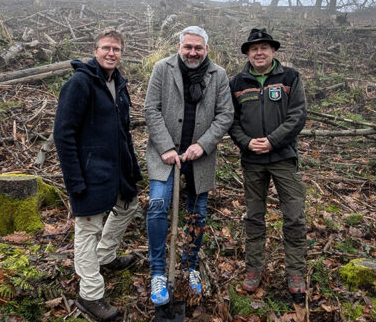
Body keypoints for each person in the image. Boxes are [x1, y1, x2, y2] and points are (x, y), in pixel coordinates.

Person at [54, 29, 142, 321]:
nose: (111, 53)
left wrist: (132, 167)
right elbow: (63, 134)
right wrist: (74, 180)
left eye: (116, 49)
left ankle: (105, 256)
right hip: (89, 172)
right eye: (106, 48)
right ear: (95, 50)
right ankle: (90, 294)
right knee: (88, 227)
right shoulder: (80, 83)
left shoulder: (119, 83)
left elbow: (124, 132)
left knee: (128, 207)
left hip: (117, 170)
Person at [144, 26, 233, 306]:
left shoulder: (218, 75)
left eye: (198, 48)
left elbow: (225, 114)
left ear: (207, 48)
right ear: (179, 46)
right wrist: (167, 147)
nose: (193, 52)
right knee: (158, 205)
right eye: (188, 47)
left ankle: (190, 266)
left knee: (198, 213)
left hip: (200, 157)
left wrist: (203, 144)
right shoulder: (163, 68)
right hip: (164, 154)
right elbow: (151, 109)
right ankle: (158, 272)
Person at [229, 28, 307, 301]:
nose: (259, 52)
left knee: (294, 216)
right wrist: (246, 143)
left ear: (273, 51)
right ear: (247, 53)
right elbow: (232, 120)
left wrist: (273, 141)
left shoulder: (290, 77)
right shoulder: (237, 82)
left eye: (264, 48)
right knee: (253, 216)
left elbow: (298, 115)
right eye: (254, 49)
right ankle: (253, 270)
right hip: (252, 160)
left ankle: (296, 272)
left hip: (283, 157)